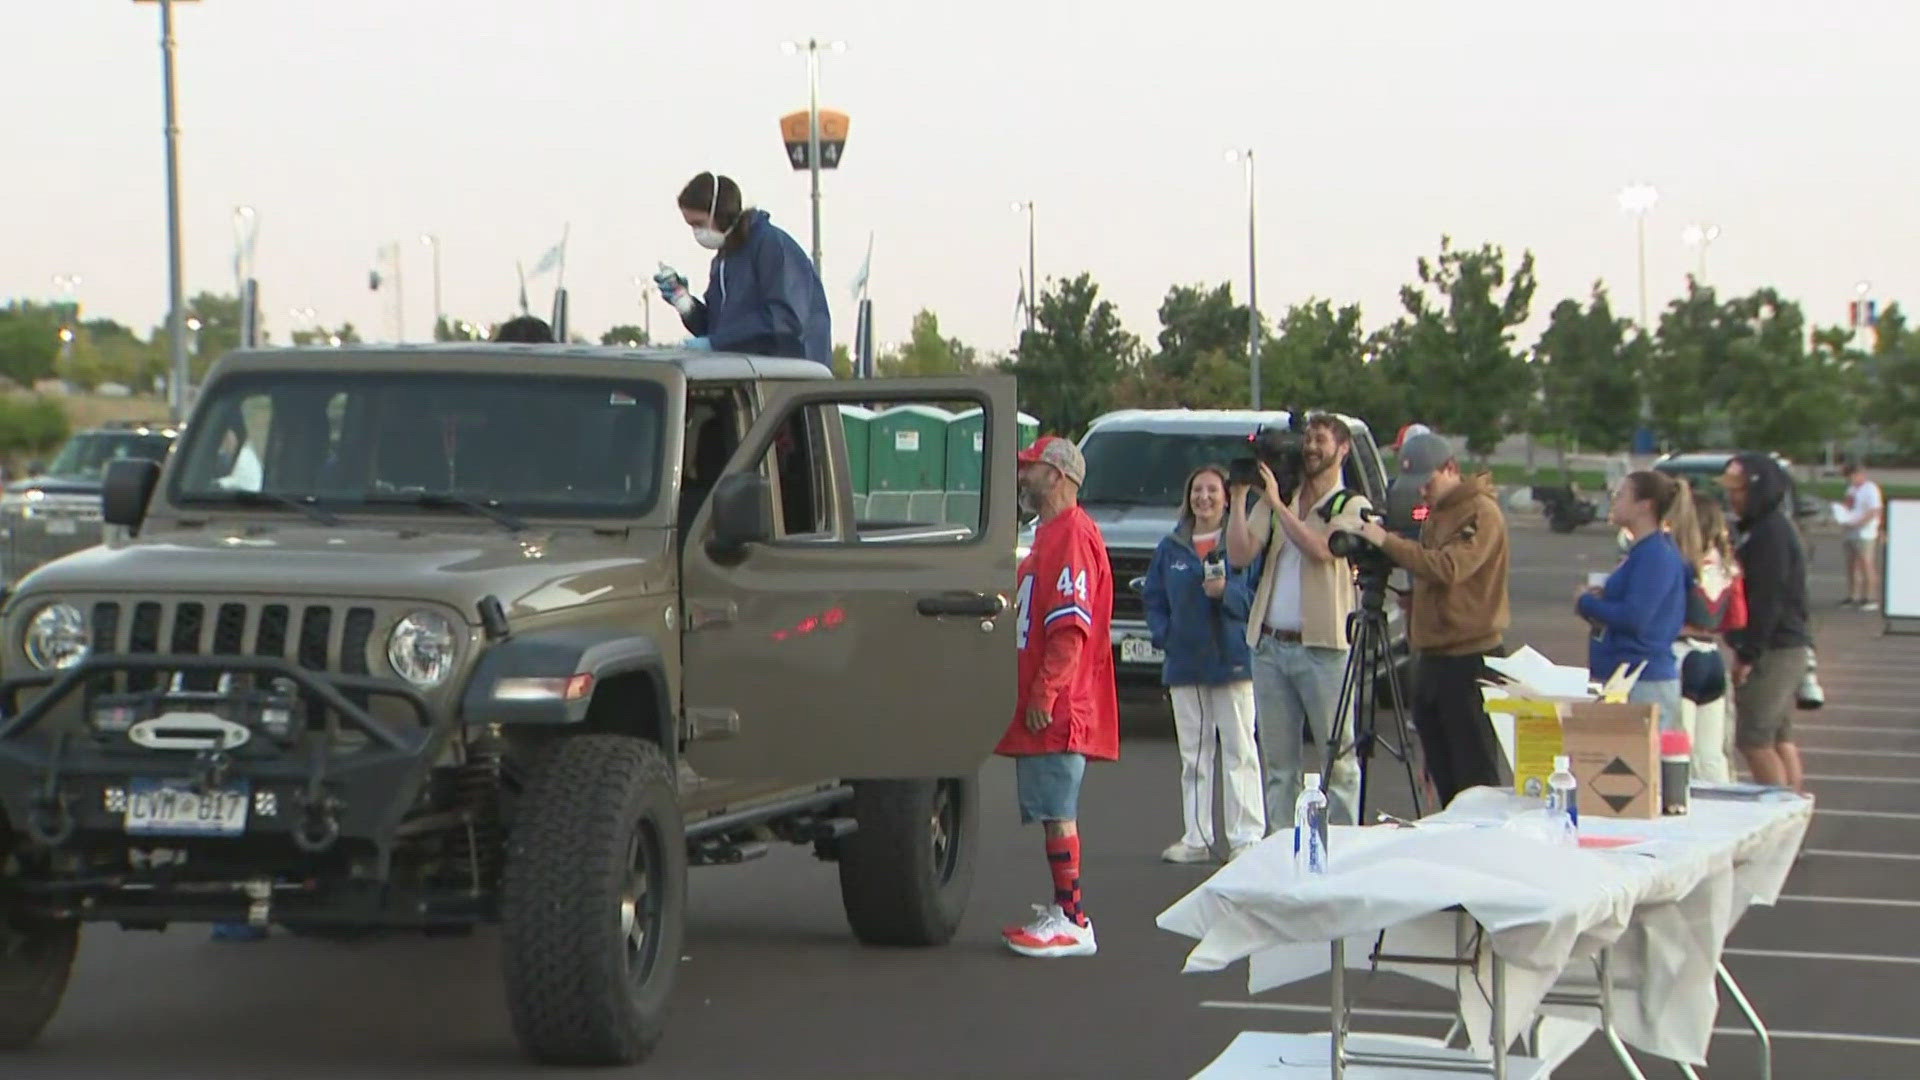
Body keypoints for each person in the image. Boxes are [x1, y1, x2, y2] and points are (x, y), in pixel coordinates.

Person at [997, 436, 1118, 958]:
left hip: (1061, 702)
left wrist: (1046, 689)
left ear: (1060, 476)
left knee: (1058, 808)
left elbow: (1070, 627)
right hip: (1048, 697)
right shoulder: (1050, 534)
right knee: (1051, 807)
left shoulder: (1071, 534)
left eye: (1032, 468)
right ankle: (1063, 910)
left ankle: (1073, 918)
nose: (1023, 477)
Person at [1224, 415, 1372, 829]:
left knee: (1338, 759)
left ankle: (1342, 847)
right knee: (1278, 764)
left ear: (1342, 449)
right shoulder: (1283, 498)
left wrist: (1276, 505)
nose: (1310, 448)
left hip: (1324, 649)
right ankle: (1280, 850)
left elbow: (1322, 550)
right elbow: (1239, 555)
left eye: (1320, 440)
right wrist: (1239, 499)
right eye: (1307, 439)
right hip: (1270, 646)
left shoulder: (1350, 506)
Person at [1351, 432, 1509, 808]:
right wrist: (1416, 598)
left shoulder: (1480, 512)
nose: (1420, 493)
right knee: (1442, 769)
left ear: (1451, 469)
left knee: (1474, 775)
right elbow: (1435, 576)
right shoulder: (1435, 514)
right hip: (1433, 657)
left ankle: (1480, 851)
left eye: (1427, 482)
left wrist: (1385, 541)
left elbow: (1451, 567)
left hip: (1470, 657)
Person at [1143, 465, 1264, 863]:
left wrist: (1225, 592)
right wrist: (1166, 636)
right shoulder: (1171, 547)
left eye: (1213, 490)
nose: (1205, 497)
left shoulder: (1241, 544)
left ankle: (1245, 836)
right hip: (1185, 665)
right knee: (1194, 755)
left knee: (1239, 750)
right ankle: (1196, 837)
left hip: (1231, 661)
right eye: (1198, 490)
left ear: (1227, 497)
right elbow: (1154, 599)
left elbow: (1253, 601)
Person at [653, 171, 831, 366]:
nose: (697, 232)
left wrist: (716, 343)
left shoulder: (771, 245)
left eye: (699, 224)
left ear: (719, 213)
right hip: (749, 377)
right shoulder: (723, 260)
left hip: (792, 378)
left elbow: (785, 321)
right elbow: (719, 330)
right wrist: (686, 304)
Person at [1576, 471, 1692, 732]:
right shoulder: (1643, 551)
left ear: (1645, 505)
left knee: (1638, 766)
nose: (1614, 501)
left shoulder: (1654, 555)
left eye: (1621, 495)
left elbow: (1636, 617)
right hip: (1624, 676)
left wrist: (1587, 603)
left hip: (1642, 679)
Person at [1722, 453, 1811, 792]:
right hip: (1784, 645)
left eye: (1739, 488)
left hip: (1775, 648)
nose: (1733, 496)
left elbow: (1766, 598)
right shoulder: (1765, 528)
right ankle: (1792, 814)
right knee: (1778, 737)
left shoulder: (1768, 534)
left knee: (1754, 738)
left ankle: (1780, 814)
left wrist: (1748, 653)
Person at [1676, 490, 1739, 783]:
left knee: (1678, 751)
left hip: (1679, 653)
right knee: (1712, 754)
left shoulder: (1679, 561)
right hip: (1712, 656)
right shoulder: (1727, 566)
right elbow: (1737, 618)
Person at [1836, 461, 1885, 611]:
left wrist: (1860, 522)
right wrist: (1842, 515)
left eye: (1852, 476)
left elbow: (1875, 510)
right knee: (1852, 564)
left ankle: (1870, 597)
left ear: (1860, 475)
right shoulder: (1851, 489)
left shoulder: (1870, 489)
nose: (1850, 480)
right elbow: (1848, 505)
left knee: (1866, 563)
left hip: (1865, 531)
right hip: (1850, 530)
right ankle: (1853, 596)